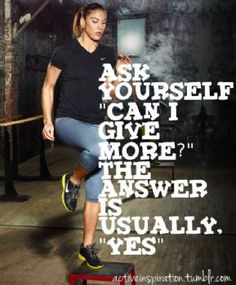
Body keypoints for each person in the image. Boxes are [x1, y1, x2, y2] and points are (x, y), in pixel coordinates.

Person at [41, 2, 131, 269]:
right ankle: (72, 180)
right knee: (101, 149)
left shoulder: (107, 54)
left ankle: (86, 247)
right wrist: (47, 120)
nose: (100, 27)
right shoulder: (63, 53)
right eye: (95, 21)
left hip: (96, 127)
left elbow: (112, 95)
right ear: (82, 22)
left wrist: (121, 76)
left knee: (95, 193)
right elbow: (48, 87)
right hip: (68, 120)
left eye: (103, 22)